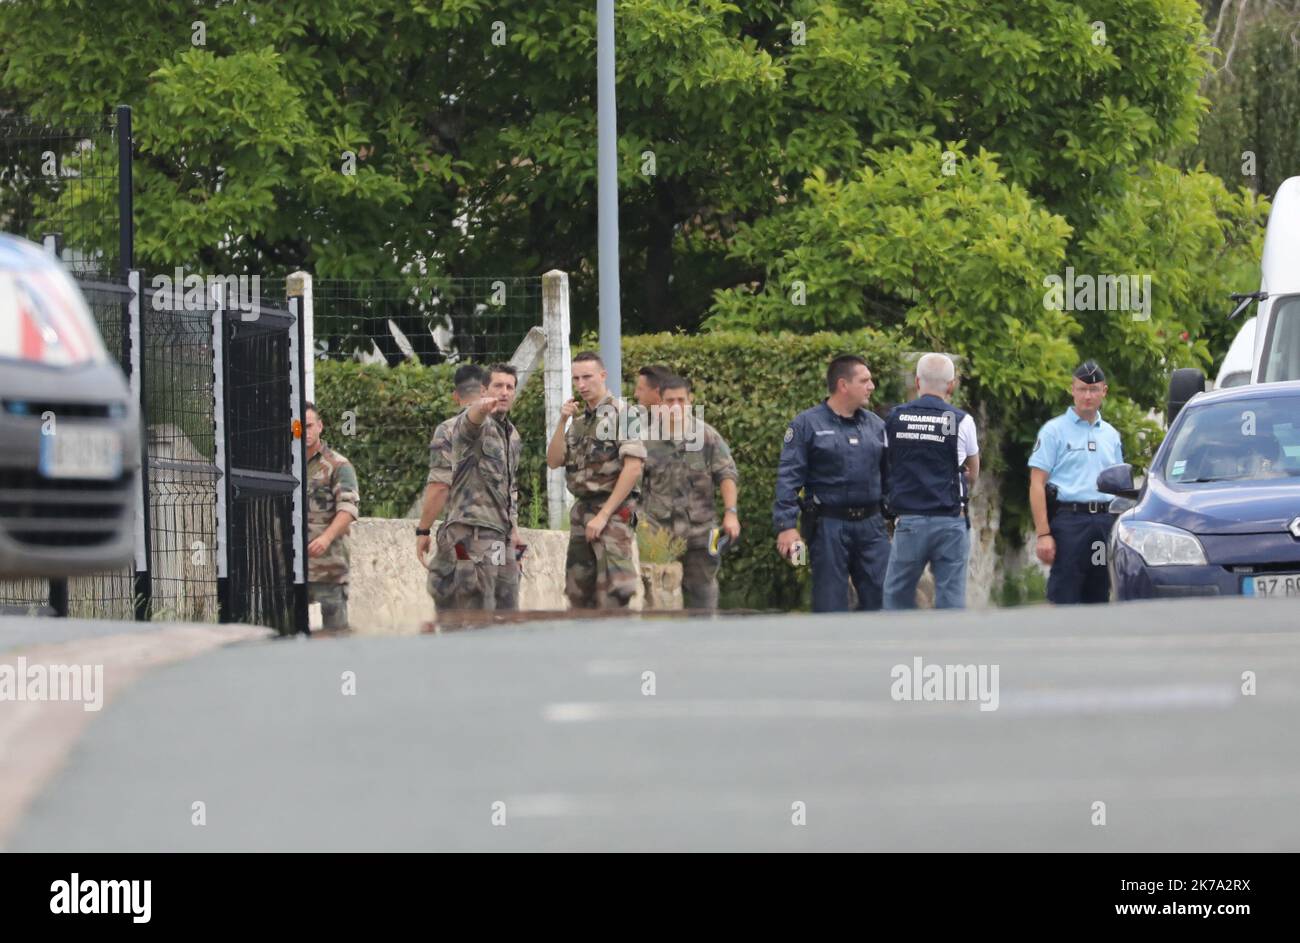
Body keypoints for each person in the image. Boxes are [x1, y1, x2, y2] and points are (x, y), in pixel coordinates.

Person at [773, 355, 890, 612]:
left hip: (872, 527)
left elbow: (890, 476)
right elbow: (789, 477)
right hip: (828, 527)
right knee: (829, 606)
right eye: (865, 380)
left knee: (883, 601)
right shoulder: (807, 424)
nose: (872, 386)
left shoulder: (877, 426)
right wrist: (787, 526)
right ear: (843, 385)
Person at [546, 351, 646, 608]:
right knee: (579, 593)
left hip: (613, 511)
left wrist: (604, 515)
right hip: (582, 512)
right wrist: (562, 420)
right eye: (576, 379)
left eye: (588, 377)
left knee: (614, 592)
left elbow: (633, 468)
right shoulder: (578, 423)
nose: (581, 385)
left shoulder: (626, 414)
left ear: (603, 376)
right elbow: (554, 460)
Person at [882, 353, 979, 610]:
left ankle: (900, 647)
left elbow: (885, 463)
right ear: (952, 385)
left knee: (896, 598)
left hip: (910, 521)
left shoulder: (895, 418)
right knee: (951, 598)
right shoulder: (963, 420)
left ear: (917, 382)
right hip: (951, 520)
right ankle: (946, 647)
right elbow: (973, 471)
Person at [427, 364, 523, 611]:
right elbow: (439, 484)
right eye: (497, 386)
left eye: (509, 387)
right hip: (470, 535)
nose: (503, 392)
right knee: (471, 608)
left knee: (504, 608)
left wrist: (514, 531)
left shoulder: (512, 435)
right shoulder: (461, 425)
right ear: (483, 390)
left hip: (500, 538)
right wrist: (422, 530)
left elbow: (509, 487)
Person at [640, 374, 740, 610]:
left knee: (703, 593)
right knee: (657, 598)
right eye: (669, 401)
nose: (675, 406)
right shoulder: (645, 439)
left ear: (690, 400)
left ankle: (703, 643)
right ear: (660, 403)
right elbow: (633, 483)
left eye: (681, 400)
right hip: (657, 533)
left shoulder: (707, 435)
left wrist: (731, 513)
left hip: (702, 531)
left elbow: (727, 474)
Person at [1028, 360, 1125, 604]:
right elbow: (1037, 483)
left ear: (1104, 391)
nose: (1087, 396)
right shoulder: (1054, 431)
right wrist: (1043, 534)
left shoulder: (1111, 435)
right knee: (1065, 591)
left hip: (1103, 523)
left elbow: (1119, 486)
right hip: (1070, 524)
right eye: (1082, 389)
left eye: (1093, 390)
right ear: (1072, 390)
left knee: (1100, 588)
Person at [305, 402, 360, 629]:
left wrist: (326, 538)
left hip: (329, 566)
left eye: (309, 426)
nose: (304, 432)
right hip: (291, 567)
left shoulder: (338, 465)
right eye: (299, 427)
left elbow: (348, 509)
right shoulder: (284, 466)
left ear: (320, 426)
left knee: (336, 635)